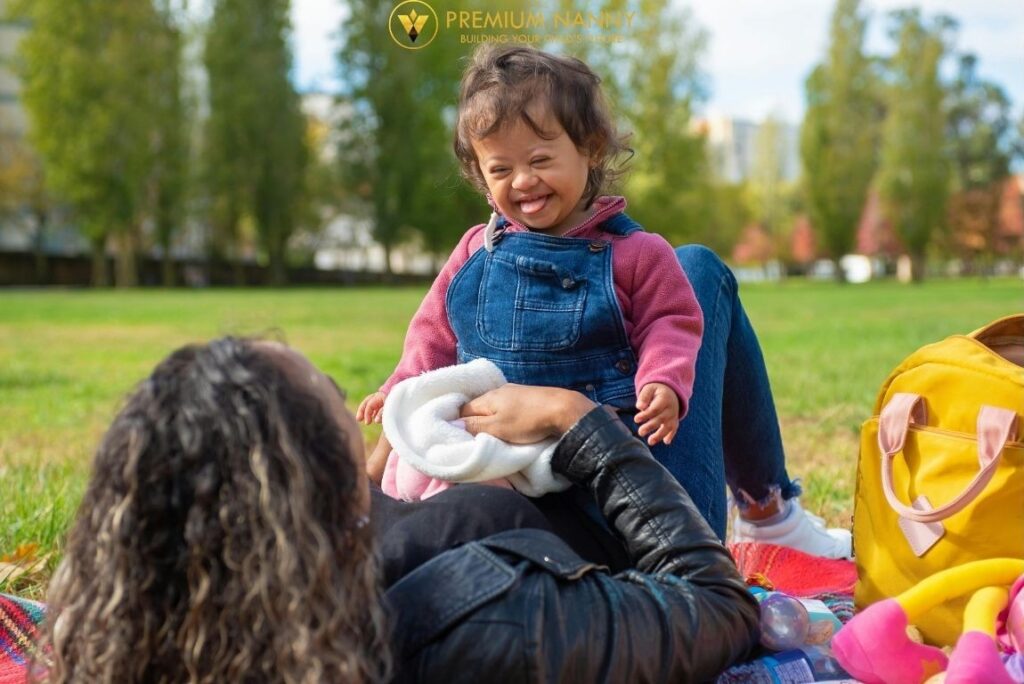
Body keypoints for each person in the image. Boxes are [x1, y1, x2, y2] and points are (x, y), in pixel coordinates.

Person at [358, 44, 850, 558]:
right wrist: (400, 389)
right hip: (514, 483)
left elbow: (670, 321)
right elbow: (432, 334)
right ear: (481, 178)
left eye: (540, 160)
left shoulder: (635, 254)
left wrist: (663, 380)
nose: (523, 181)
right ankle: (767, 512)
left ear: (590, 149)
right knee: (701, 266)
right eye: (500, 170)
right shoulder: (474, 254)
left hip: (616, 493)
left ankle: (766, 513)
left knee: (696, 268)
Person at [37, 337, 759, 683]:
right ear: (316, 483)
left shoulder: (197, 623)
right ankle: (768, 505)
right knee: (697, 272)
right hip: (606, 544)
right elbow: (721, 607)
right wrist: (578, 424)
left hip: (480, 519)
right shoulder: (491, 621)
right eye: (328, 397)